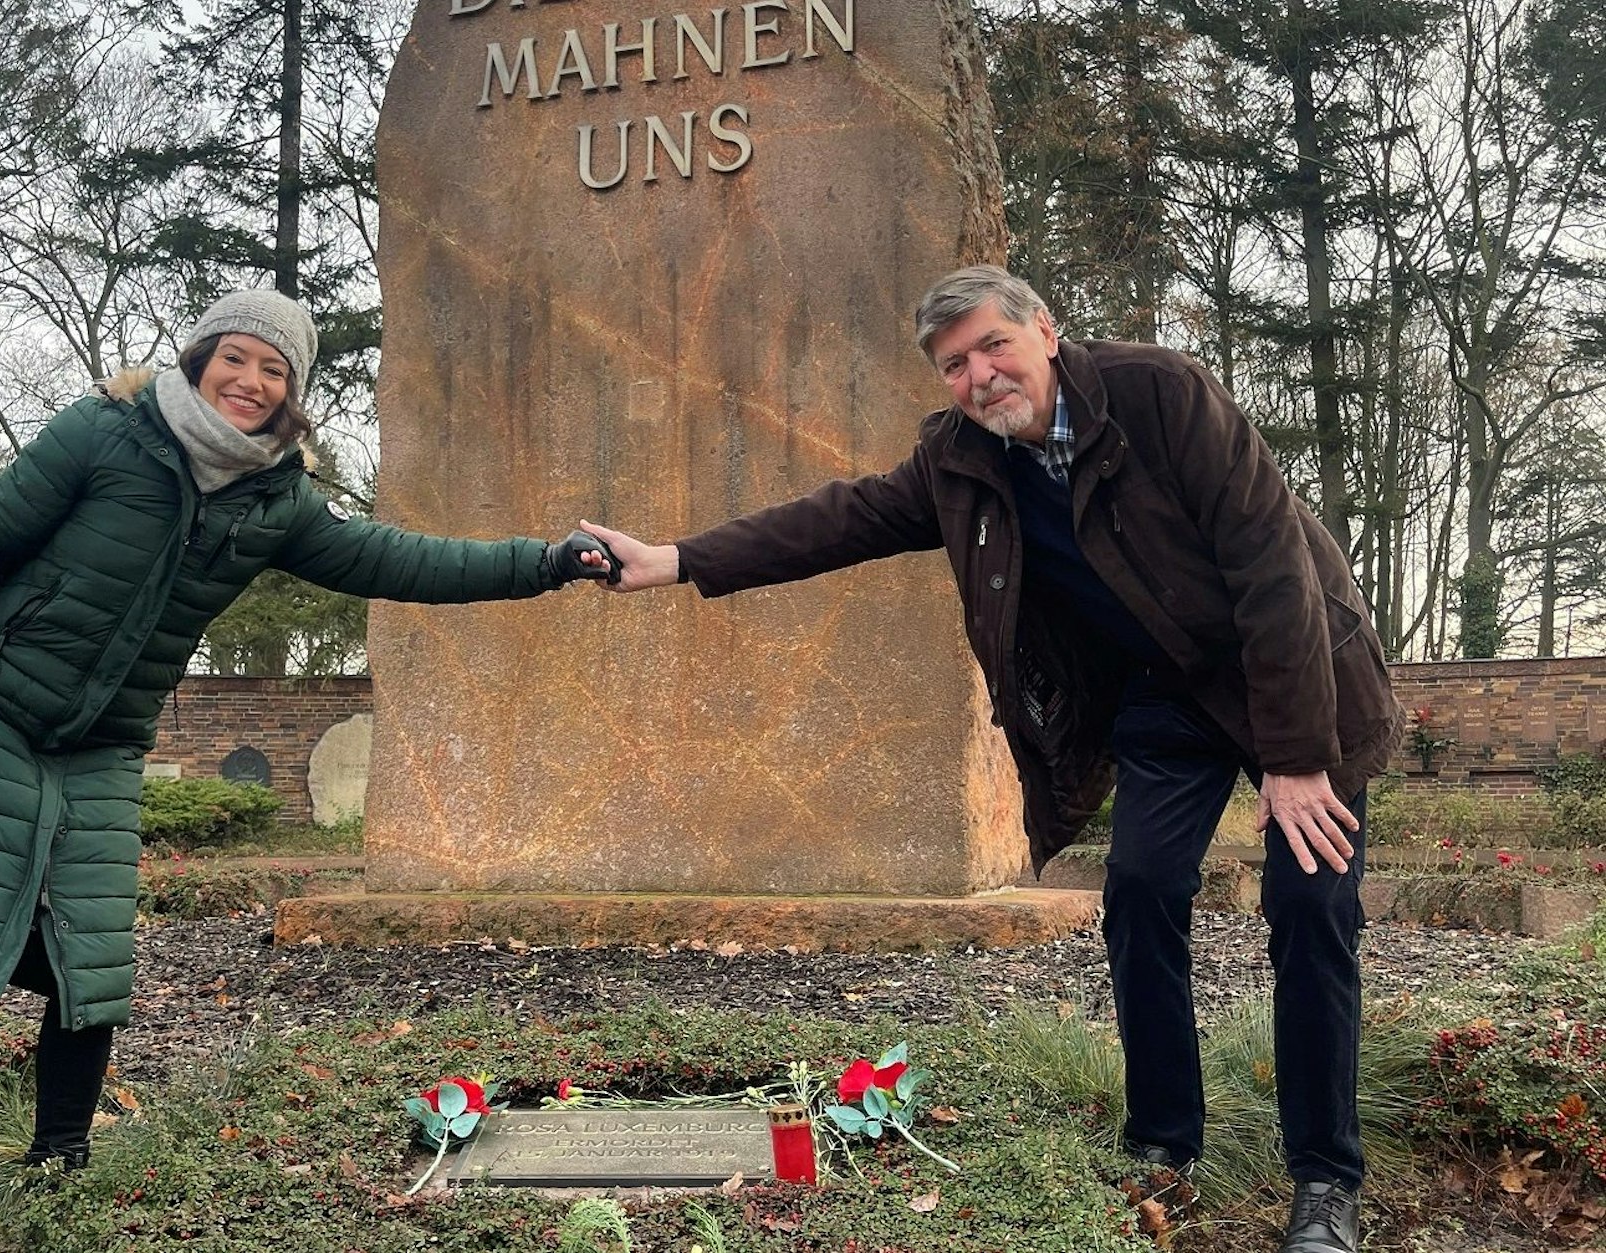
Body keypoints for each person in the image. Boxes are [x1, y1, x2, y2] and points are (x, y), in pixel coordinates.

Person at [580, 265, 1400, 1253]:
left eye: (990, 346)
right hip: (1161, 700)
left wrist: (1296, 757)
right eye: (952, 363)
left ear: (1043, 331)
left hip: (1297, 675)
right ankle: (1162, 1144)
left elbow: (1274, 569)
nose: (977, 375)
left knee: (1310, 907)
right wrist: (673, 558)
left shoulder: (1162, 395)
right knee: (1139, 888)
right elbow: (833, 520)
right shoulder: (958, 462)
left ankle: (1321, 1178)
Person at [0, 290, 618, 1253]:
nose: (250, 381)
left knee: (92, 968)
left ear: (292, 395)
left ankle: (60, 1177)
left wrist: (542, 561)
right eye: (236, 358)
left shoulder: (274, 501)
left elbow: (397, 559)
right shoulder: (105, 435)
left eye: (275, 370)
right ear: (200, 357)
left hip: (102, 745)